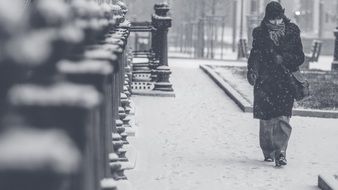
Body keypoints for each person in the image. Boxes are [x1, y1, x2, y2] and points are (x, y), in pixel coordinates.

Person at [247, 1, 305, 167]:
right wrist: (252, 71)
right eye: (272, 20)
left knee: (283, 118)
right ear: (267, 18)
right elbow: (255, 55)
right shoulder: (259, 33)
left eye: (278, 19)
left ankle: (281, 152)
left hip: (285, 82)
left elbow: (300, 57)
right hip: (265, 81)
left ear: (282, 16)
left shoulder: (293, 31)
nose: (275, 23)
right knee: (266, 121)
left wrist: (284, 58)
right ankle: (268, 150)